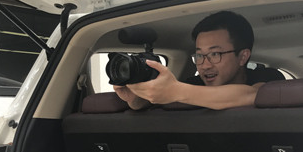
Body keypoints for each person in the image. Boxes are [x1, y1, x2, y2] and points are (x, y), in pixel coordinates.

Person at [113, 11, 283, 110]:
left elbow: (252, 95)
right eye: (200, 56)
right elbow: (151, 103)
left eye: (215, 54)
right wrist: (134, 97)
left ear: (243, 57)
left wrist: (175, 91)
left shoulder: (267, 76)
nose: (205, 65)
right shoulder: (193, 84)